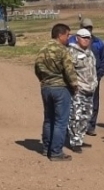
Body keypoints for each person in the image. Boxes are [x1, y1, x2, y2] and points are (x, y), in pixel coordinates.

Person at [34, 23, 79, 161]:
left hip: (46, 87)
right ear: (60, 35)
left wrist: (45, 80)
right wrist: (75, 85)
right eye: (67, 35)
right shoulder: (62, 50)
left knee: (49, 119)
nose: (69, 38)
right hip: (60, 88)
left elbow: (37, 67)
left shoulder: (43, 49)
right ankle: (56, 152)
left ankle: (46, 148)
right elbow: (69, 70)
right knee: (60, 121)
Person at [69, 17, 104, 135]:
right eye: (85, 28)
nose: (88, 30)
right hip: (77, 79)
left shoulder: (98, 43)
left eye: (90, 28)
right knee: (75, 103)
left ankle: (90, 126)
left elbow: (103, 60)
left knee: (93, 102)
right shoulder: (72, 41)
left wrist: (98, 76)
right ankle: (75, 127)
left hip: (93, 78)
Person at [67, 28, 98, 153]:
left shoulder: (90, 53)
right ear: (77, 38)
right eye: (83, 37)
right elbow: (68, 71)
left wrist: (94, 83)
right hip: (78, 91)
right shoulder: (71, 52)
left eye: (88, 38)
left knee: (87, 115)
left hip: (90, 90)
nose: (86, 40)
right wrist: (74, 85)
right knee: (76, 116)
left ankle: (80, 138)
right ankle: (74, 142)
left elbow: (94, 69)